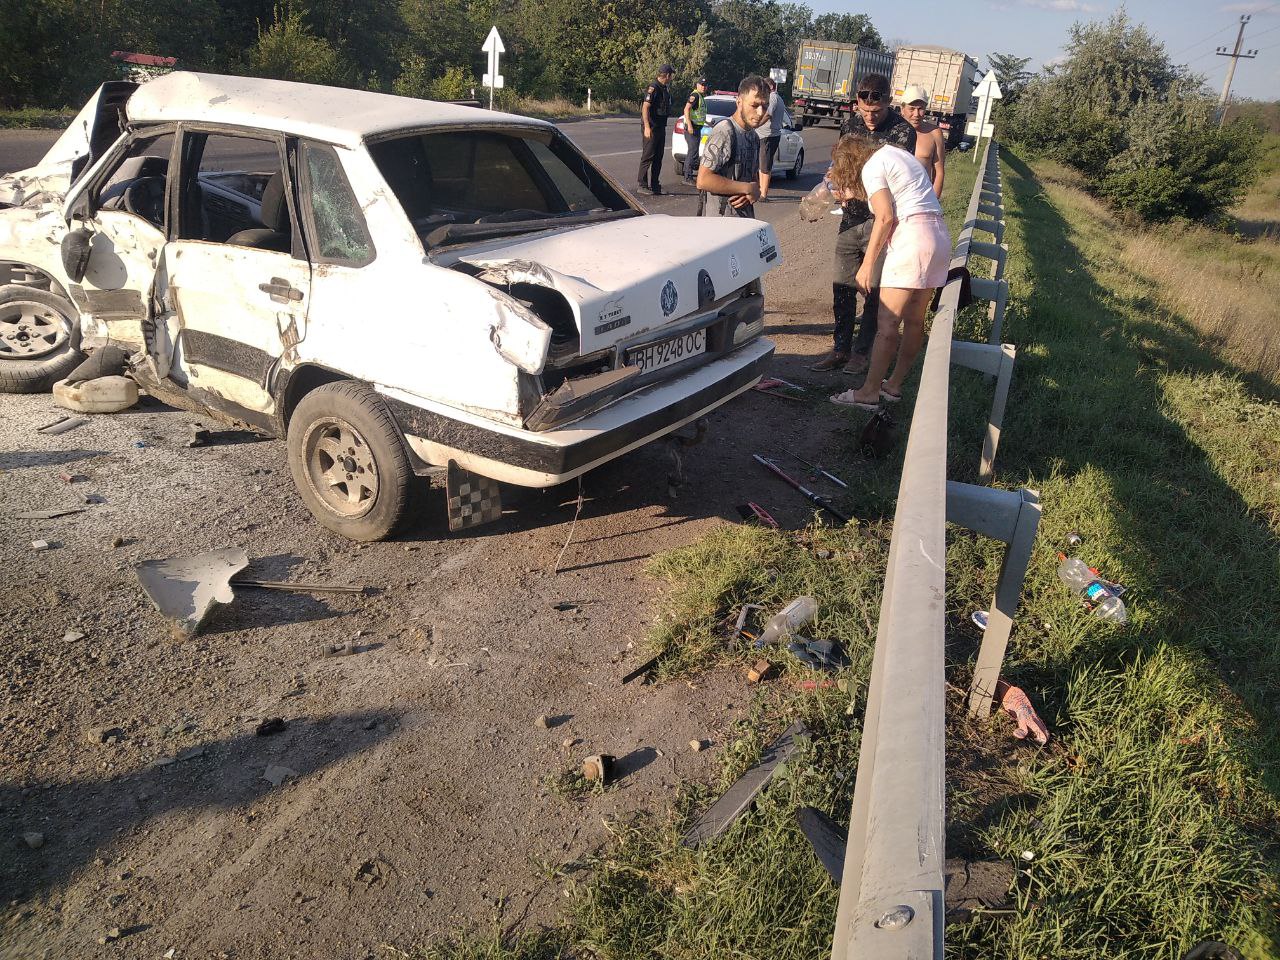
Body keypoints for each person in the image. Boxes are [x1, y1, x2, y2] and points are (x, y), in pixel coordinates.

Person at [824, 137, 951, 410]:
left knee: (887, 325)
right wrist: (853, 194)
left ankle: (869, 391)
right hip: (938, 236)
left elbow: (885, 216)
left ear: (850, 165)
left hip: (912, 239)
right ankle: (893, 385)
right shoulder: (894, 154)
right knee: (915, 320)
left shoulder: (871, 167)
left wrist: (867, 264)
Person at [808, 72, 916, 375]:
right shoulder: (850, 124)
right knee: (841, 286)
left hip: (882, 221)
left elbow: (895, 181)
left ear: (888, 102)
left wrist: (857, 187)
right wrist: (831, 188)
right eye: (865, 110)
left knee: (873, 290)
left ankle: (861, 352)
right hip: (850, 218)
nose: (870, 117)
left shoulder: (901, 132)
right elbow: (840, 165)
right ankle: (840, 349)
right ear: (857, 102)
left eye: (876, 111)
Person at [695, 75, 770, 218]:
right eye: (754, 105)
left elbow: (752, 179)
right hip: (722, 226)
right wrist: (746, 188)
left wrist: (754, 192)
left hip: (744, 222)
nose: (760, 112)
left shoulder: (753, 136)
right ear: (739, 102)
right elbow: (703, 180)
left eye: (765, 106)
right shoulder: (725, 131)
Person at [900, 84, 946, 198]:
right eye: (911, 108)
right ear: (902, 109)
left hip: (922, 199)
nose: (916, 114)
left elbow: (939, 171)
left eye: (920, 109)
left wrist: (934, 202)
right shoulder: (892, 131)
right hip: (896, 199)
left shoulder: (934, 133)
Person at [638, 65, 674, 195]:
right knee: (648, 156)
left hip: (660, 127)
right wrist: (647, 127)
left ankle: (655, 185)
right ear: (668, 75)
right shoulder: (653, 88)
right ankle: (642, 185)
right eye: (671, 75)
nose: (671, 78)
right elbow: (645, 107)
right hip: (652, 127)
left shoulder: (664, 88)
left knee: (658, 157)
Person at [757, 77, 787, 201]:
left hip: (768, 136)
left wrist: (757, 123)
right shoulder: (778, 98)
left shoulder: (773, 97)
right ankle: (761, 191)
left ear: (770, 87)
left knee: (764, 166)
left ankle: (763, 194)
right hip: (768, 135)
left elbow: (769, 114)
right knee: (763, 165)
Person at [682, 77, 709, 185]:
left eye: (705, 85)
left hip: (697, 128)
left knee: (694, 152)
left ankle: (689, 174)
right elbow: (686, 109)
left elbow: (699, 113)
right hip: (691, 128)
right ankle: (687, 177)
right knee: (692, 152)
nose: (703, 87)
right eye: (701, 84)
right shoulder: (695, 95)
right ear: (697, 85)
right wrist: (689, 125)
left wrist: (707, 122)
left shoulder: (701, 97)